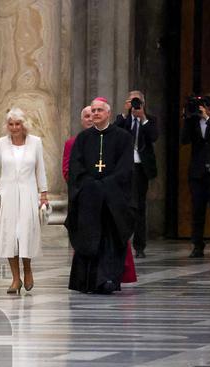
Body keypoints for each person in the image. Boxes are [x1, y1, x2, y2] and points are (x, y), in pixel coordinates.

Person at [65, 97, 134, 294]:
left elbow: (125, 168)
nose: (95, 114)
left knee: (110, 241)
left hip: (113, 201)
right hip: (89, 200)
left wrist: (106, 186)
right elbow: (76, 168)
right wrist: (91, 186)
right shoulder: (83, 138)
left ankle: (108, 280)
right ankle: (85, 282)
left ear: (108, 113)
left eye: (99, 110)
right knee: (89, 239)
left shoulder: (123, 137)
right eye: (93, 110)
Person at [0, 108, 48, 294]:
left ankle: (28, 270)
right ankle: (15, 278)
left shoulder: (35, 142)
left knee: (24, 233)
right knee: (10, 235)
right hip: (7, 194)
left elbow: (40, 169)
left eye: (17, 124)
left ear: (23, 124)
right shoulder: (1, 143)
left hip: (28, 194)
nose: (14, 127)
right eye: (11, 124)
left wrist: (43, 193)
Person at [113, 90, 159, 258]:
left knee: (139, 206)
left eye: (137, 101)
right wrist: (126, 115)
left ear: (143, 103)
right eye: (131, 101)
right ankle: (122, 241)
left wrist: (143, 118)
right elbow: (116, 136)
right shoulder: (122, 120)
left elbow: (153, 137)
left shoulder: (150, 120)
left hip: (141, 169)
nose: (134, 105)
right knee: (125, 206)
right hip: (125, 168)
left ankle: (140, 246)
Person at [181, 93, 210, 258]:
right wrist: (187, 117)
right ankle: (197, 246)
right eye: (208, 104)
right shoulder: (195, 122)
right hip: (198, 173)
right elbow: (184, 139)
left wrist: (207, 118)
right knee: (197, 211)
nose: (209, 106)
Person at [63, 106, 93, 182]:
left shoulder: (106, 140)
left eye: (93, 116)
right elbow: (67, 171)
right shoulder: (71, 143)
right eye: (87, 116)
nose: (90, 119)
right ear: (82, 121)